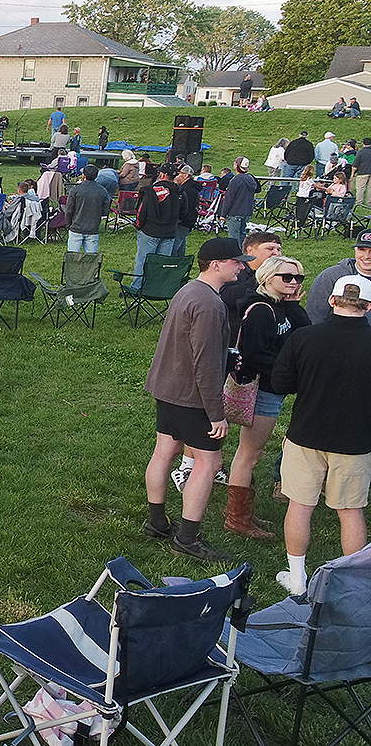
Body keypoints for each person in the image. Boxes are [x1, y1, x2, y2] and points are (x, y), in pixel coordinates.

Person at [142, 237, 251, 563]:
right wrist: (216, 414)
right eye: (236, 262)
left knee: (164, 451)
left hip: (167, 388)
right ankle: (187, 539)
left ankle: (157, 523)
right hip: (191, 397)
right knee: (209, 463)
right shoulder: (209, 305)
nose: (241, 267)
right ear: (216, 265)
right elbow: (205, 364)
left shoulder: (188, 290)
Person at [269, 273, 371, 595]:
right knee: (350, 511)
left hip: (305, 435)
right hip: (356, 440)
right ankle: (353, 585)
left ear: (331, 301)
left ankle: (297, 579)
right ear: (368, 306)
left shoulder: (304, 338)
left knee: (300, 505)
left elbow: (280, 383)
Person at [223, 255, 311, 540]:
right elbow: (254, 355)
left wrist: (293, 303)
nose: (294, 282)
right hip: (263, 390)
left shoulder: (280, 306)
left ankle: (240, 511)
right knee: (249, 454)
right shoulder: (262, 310)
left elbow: (305, 334)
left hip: (274, 389)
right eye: (287, 277)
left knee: (251, 453)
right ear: (267, 277)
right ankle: (237, 518)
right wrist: (287, 376)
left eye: (298, 278)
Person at [305, 230, 371, 324]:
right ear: (355, 250)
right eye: (362, 250)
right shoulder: (331, 276)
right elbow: (315, 316)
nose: (367, 256)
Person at [131, 165, 179, 284]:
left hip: (150, 231)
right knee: (161, 263)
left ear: (162, 174)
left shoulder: (151, 190)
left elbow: (142, 210)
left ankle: (137, 287)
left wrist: (139, 225)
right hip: (169, 232)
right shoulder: (179, 191)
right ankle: (156, 288)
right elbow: (184, 211)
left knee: (143, 261)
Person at [65, 165, 109, 254]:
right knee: (91, 258)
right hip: (93, 228)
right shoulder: (102, 191)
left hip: (76, 228)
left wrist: (68, 224)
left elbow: (69, 210)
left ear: (84, 175)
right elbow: (105, 211)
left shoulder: (75, 190)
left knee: (72, 257)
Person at [218, 157, 258, 242]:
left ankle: (236, 251)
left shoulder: (235, 180)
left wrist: (223, 214)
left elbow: (229, 198)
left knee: (233, 238)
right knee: (242, 235)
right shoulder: (251, 179)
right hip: (247, 211)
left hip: (235, 212)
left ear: (236, 166)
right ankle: (243, 250)